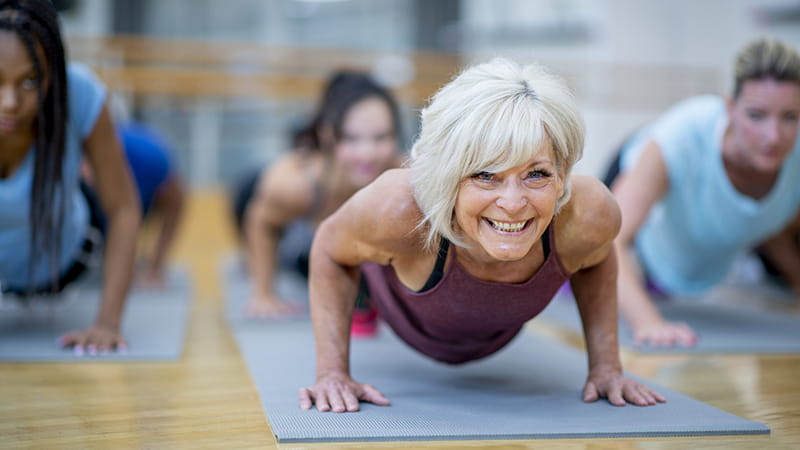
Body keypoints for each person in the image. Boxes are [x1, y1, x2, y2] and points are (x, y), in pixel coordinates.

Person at [298, 58, 666, 413]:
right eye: (485, 175)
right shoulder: (397, 208)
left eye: (536, 174)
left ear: (562, 171)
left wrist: (606, 368)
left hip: (490, 329)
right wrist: (332, 373)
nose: (512, 203)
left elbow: (598, 258)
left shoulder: (589, 213)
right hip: (398, 293)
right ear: (449, 175)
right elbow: (329, 249)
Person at [608, 37, 800, 348]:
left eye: (790, 117)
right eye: (756, 115)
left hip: (692, 237)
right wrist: (649, 323)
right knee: (589, 254)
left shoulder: (791, 155)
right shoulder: (679, 138)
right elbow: (610, 240)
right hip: (633, 180)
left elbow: (763, 217)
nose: (773, 136)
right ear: (730, 108)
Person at [0, 0, 140, 354]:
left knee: (89, 192)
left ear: (53, 73)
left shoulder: (78, 92)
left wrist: (108, 322)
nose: (10, 103)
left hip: (62, 263)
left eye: (30, 81)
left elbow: (123, 209)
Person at [232, 70, 403, 320]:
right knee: (254, 189)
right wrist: (263, 293)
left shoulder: (400, 172)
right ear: (328, 136)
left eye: (381, 138)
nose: (367, 154)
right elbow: (261, 222)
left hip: (342, 235)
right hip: (284, 221)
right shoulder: (295, 185)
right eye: (351, 139)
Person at [82, 121, 185, 288]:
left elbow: (175, 206)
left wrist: (156, 266)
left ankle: (149, 267)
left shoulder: (154, 163)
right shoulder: (94, 160)